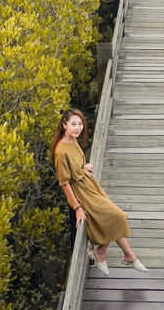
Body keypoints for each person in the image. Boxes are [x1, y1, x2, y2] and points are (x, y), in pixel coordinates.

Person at [51, 108, 148, 276]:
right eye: (73, 124)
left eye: (80, 124)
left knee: (113, 216)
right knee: (116, 216)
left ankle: (110, 253)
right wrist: (77, 208)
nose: (78, 128)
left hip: (90, 185)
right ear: (64, 125)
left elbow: (76, 165)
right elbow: (65, 184)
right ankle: (124, 255)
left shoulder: (73, 140)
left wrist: (84, 167)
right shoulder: (60, 151)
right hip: (81, 192)